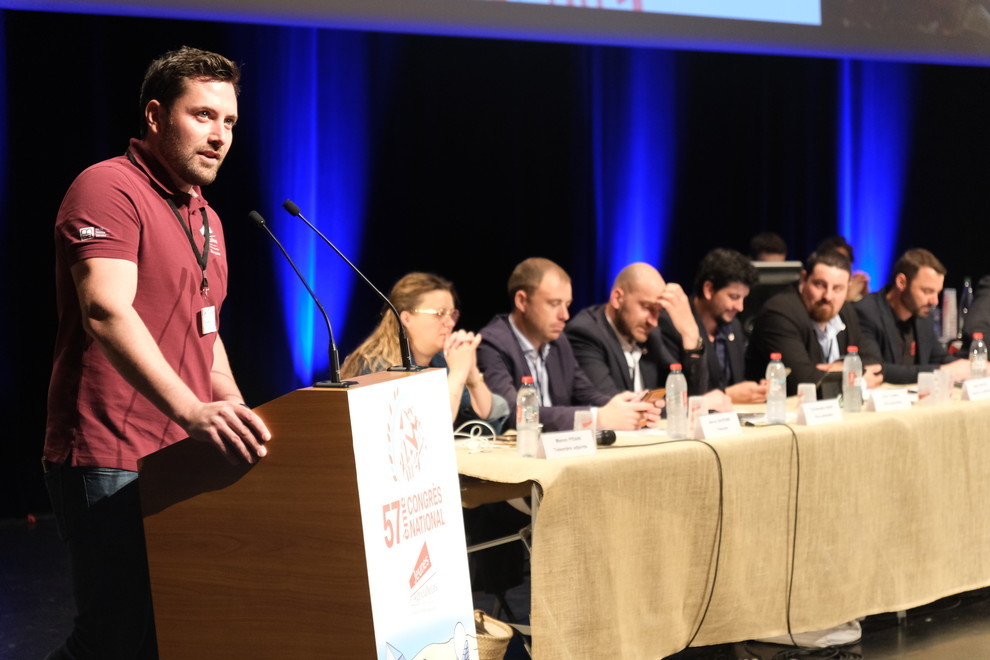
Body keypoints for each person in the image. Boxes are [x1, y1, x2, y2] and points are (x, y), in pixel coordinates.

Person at [42, 47, 271, 659]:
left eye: (229, 122)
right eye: (202, 115)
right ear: (154, 114)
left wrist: (241, 416)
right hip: (108, 452)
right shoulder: (107, 187)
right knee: (111, 638)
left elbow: (207, 331)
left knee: (164, 636)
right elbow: (105, 310)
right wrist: (192, 411)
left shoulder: (208, 218)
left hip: (179, 456)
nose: (220, 136)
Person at [477, 257, 661, 432]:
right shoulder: (492, 344)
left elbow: (587, 394)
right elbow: (511, 413)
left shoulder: (559, 342)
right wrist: (598, 418)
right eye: (554, 304)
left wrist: (630, 405)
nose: (565, 315)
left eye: (567, 304)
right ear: (522, 301)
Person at [340, 272, 509, 429]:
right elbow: (424, 431)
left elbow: (492, 416)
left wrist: (471, 373)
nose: (450, 323)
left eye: (452, 314)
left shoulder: (440, 360)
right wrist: (458, 374)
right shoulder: (376, 365)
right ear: (406, 318)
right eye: (440, 313)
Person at [745, 249, 883, 395]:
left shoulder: (846, 311)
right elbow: (801, 380)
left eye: (838, 288)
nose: (828, 296)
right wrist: (858, 379)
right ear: (804, 279)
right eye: (820, 285)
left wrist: (839, 367)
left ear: (848, 288)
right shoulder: (779, 313)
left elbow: (874, 363)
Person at [565, 262, 708, 398]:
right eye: (647, 307)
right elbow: (611, 405)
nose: (653, 321)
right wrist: (677, 404)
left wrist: (690, 333)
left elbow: (689, 392)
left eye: (658, 311)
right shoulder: (586, 334)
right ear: (617, 298)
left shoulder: (651, 336)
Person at [661, 248, 768, 404]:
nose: (740, 307)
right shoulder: (673, 325)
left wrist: (755, 390)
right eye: (734, 297)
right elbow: (676, 394)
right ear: (709, 289)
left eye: (744, 298)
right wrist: (728, 395)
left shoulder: (734, 327)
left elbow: (736, 382)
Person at [854, 249, 970, 384]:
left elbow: (939, 357)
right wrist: (942, 371)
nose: (934, 301)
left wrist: (973, 367)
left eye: (937, 293)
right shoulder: (866, 312)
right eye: (927, 291)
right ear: (901, 282)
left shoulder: (923, 315)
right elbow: (875, 370)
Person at [816, 234, 870, 302]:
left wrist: (866, 295)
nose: (842, 264)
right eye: (836, 259)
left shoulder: (855, 288)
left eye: (845, 260)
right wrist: (847, 298)